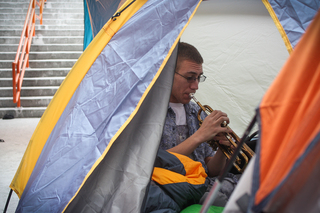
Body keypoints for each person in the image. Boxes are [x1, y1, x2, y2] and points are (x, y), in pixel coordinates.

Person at [159, 42, 239, 205]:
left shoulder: (196, 112)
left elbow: (210, 170)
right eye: (190, 78)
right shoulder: (151, 114)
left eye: (198, 78)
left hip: (206, 185)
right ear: (168, 73)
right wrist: (200, 136)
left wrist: (223, 149)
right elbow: (157, 163)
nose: (195, 86)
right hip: (174, 190)